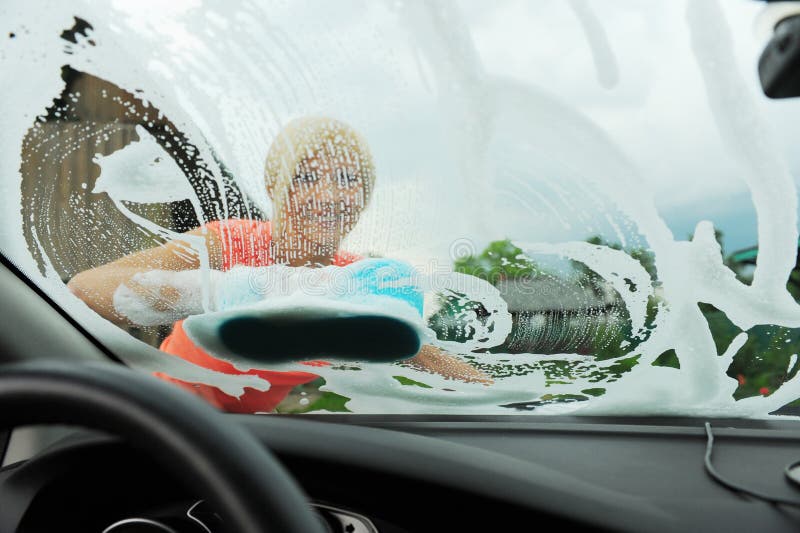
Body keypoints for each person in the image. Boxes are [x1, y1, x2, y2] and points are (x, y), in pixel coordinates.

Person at [68, 116, 489, 413]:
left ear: (366, 193)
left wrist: (503, 398)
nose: (328, 196)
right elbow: (85, 290)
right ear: (273, 187)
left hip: (257, 439)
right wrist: (228, 292)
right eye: (304, 177)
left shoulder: (357, 279)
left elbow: (422, 353)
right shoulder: (227, 242)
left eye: (346, 179)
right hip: (165, 420)